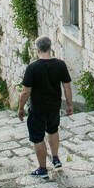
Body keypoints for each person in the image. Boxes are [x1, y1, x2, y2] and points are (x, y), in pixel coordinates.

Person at [17, 36, 74, 179]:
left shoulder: (32, 68)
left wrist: (20, 108)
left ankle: (42, 169)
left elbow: (25, 91)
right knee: (53, 130)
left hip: (37, 108)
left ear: (37, 50)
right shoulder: (60, 65)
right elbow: (67, 87)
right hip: (54, 106)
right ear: (50, 47)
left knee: (37, 137)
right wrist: (69, 104)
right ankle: (55, 158)